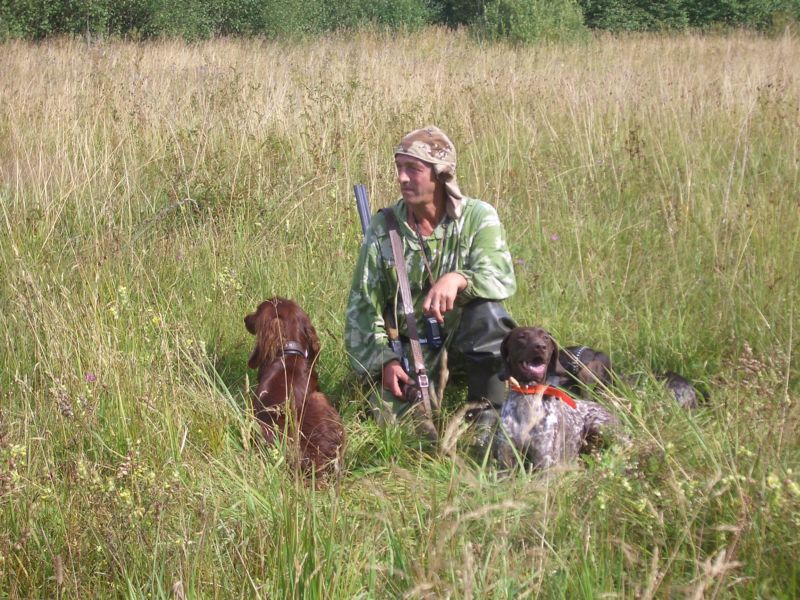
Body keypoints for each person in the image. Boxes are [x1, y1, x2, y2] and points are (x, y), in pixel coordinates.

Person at [345, 126, 517, 443]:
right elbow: (362, 308)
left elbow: (501, 275)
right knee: (405, 437)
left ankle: (487, 422)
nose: (402, 178)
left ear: (441, 174)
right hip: (410, 351)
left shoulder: (477, 217)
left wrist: (459, 279)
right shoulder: (384, 228)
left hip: (466, 344)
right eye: (399, 167)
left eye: (413, 169)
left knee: (489, 314)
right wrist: (385, 361)